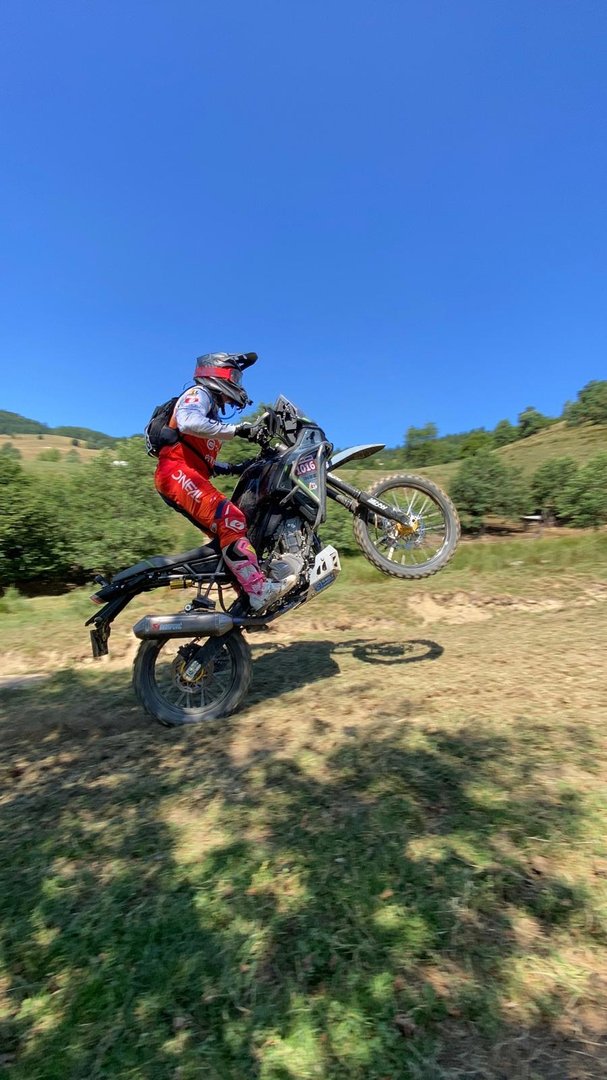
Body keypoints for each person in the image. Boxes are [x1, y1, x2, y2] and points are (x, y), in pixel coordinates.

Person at [154, 352, 297, 612]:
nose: (238, 383)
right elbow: (188, 422)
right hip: (175, 473)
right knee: (231, 519)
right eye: (235, 376)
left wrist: (234, 467)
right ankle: (258, 592)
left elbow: (201, 458)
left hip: (185, 473)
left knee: (229, 535)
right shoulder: (198, 394)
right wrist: (238, 430)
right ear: (216, 373)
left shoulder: (211, 414)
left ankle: (247, 601)